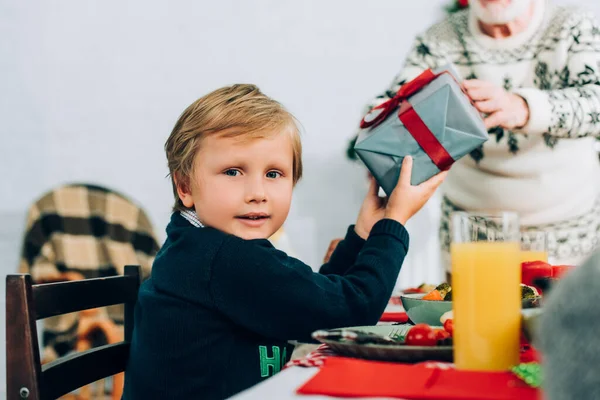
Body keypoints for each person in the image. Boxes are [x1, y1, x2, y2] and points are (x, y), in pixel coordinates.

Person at [122, 84, 446, 399]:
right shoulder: (224, 258)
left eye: (274, 174)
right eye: (233, 172)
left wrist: (364, 232)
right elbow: (350, 311)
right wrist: (394, 222)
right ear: (185, 187)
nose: (257, 194)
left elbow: (315, 297)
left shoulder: (198, 247)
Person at [350, 0, 600, 278]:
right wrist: (379, 123)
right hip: (472, 240)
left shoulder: (574, 26)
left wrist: (524, 106)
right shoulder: (438, 40)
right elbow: (392, 103)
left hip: (571, 236)